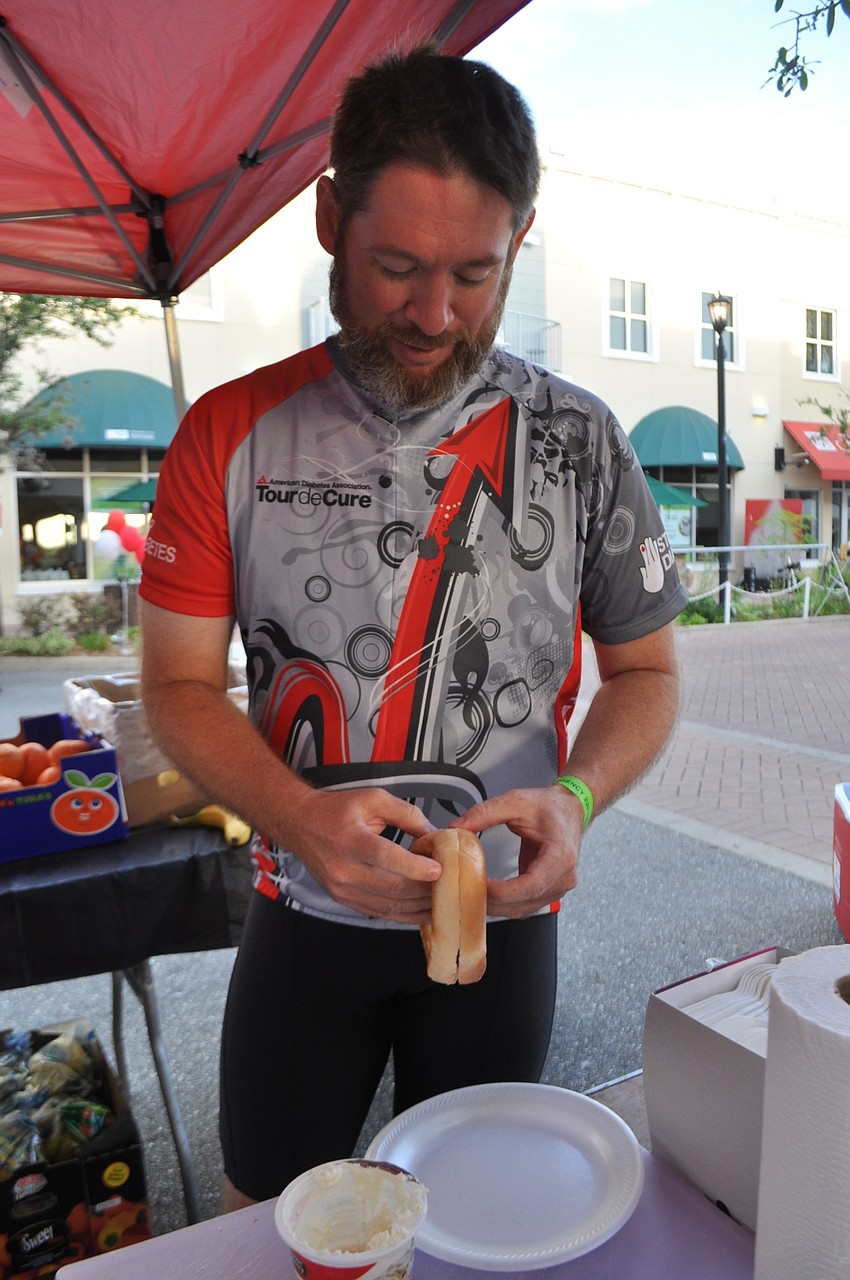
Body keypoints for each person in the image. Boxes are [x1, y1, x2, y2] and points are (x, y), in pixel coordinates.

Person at [139, 43, 686, 1210]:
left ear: (520, 241)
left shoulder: (582, 439)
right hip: (302, 917)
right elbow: (175, 687)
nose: (434, 315)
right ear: (330, 216)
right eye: (395, 266)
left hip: (502, 915)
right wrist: (296, 814)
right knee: (270, 1221)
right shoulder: (227, 435)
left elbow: (645, 667)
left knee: (484, 1215)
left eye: (476, 274)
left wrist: (576, 798)